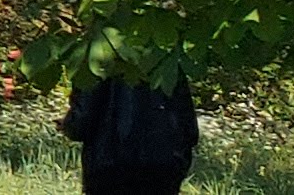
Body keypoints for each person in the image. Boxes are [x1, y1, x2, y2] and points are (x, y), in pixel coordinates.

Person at [60, 67, 201, 195]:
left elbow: (81, 123)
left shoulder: (95, 64)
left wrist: (67, 125)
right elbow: (189, 128)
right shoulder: (166, 60)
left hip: (109, 166)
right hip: (163, 166)